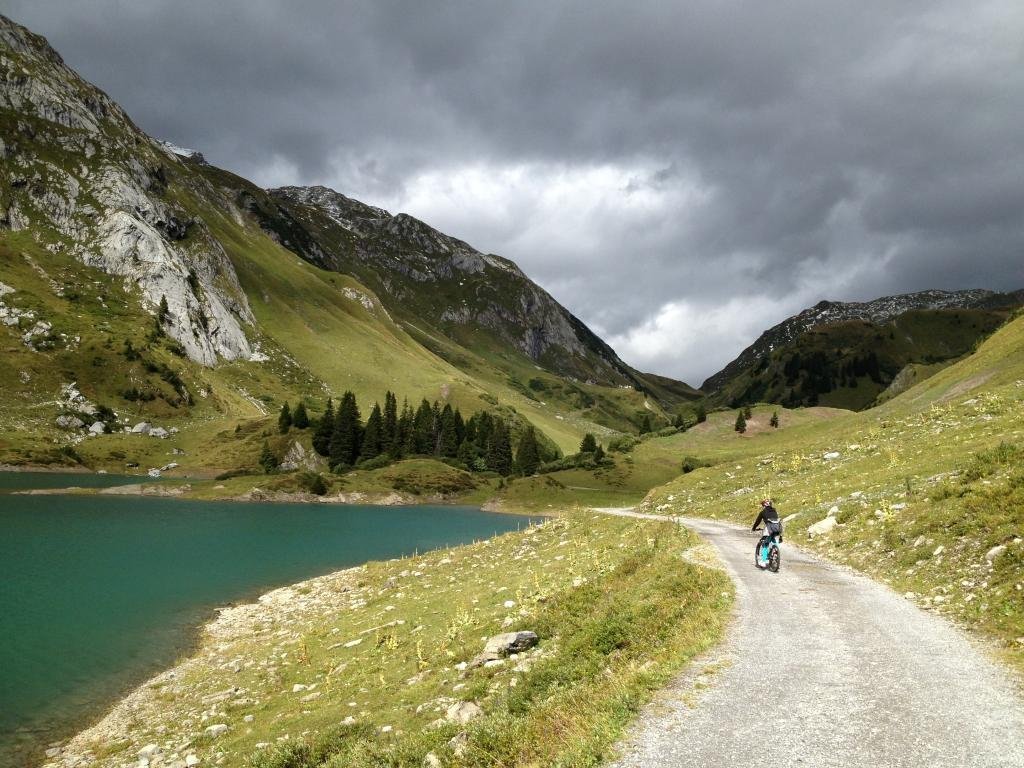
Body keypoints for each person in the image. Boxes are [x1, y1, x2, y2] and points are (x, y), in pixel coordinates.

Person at [752, 499, 782, 564]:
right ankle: (775, 550)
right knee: (773, 539)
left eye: (762, 505)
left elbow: (757, 521)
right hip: (777, 529)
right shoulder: (774, 510)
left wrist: (754, 528)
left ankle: (763, 561)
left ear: (764, 506)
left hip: (769, 529)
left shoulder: (763, 512)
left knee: (765, 544)